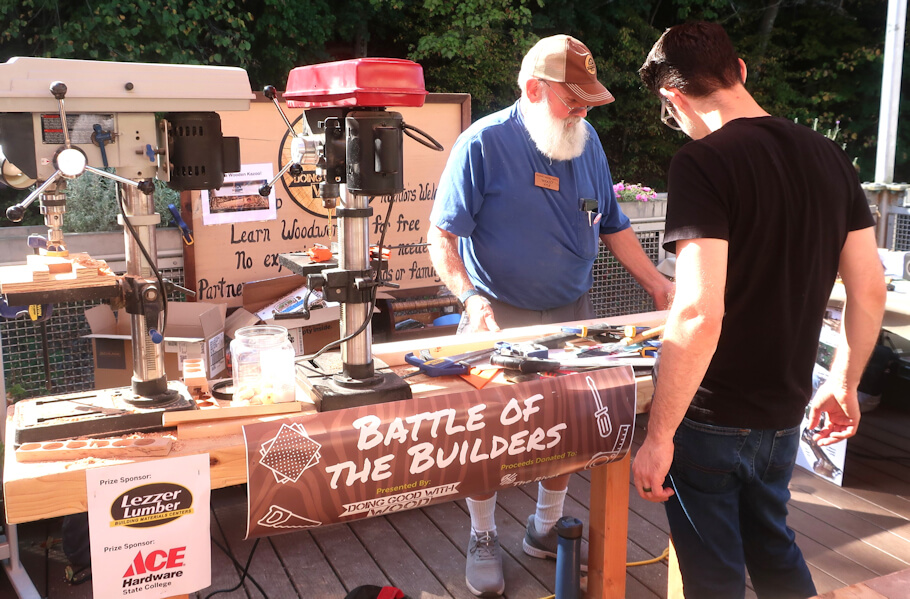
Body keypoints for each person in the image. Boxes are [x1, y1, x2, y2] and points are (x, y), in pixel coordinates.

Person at [632, 21, 887, 599]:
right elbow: (869, 286)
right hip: (785, 408)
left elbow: (698, 310)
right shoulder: (830, 156)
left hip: (711, 415)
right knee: (774, 548)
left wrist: (659, 434)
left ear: (673, 97)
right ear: (740, 70)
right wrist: (845, 381)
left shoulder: (701, 163)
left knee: (713, 573)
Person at [429, 34, 674, 597]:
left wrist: (657, 282)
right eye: (574, 100)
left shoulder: (587, 144)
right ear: (533, 88)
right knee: (488, 435)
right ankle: (484, 534)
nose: (583, 111)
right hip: (500, 316)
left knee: (569, 427)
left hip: (572, 315)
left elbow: (613, 225)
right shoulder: (483, 143)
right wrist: (470, 299)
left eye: (589, 101)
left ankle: (543, 525)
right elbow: (441, 236)